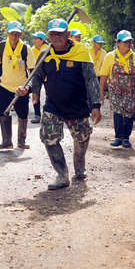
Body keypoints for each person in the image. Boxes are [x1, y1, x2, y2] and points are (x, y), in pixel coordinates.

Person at [18, 18, 101, 189]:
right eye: (53, 34)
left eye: (60, 33)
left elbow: (91, 80)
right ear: (49, 35)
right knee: (48, 138)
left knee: (82, 139)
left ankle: (79, 166)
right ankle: (62, 175)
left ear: (68, 34)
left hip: (77, 106)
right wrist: (33, 91)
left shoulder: (81, 52)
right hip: (53, 105)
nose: (57, 37)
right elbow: (38, 75)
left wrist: (96, 105)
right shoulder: (45, 54)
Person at [99, 30, 135, 148]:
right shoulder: (110, 57)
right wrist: (101, 93)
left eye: (129, 41)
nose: (127, 44)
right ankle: (118, 137)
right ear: (118, 42)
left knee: (129, 113)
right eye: (125, 41)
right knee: (118, 112)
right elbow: (104, 75)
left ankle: (126, 137)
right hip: (115, 90)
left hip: (131, 91)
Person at [0, 20, 36, 150]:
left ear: (21, 34)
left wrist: (28, 88)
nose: (14, 37)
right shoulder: (1, 46)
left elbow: (33, 72)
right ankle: (6, 140)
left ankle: (21, 140)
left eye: (17, 34)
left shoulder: (25, 49)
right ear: (7, 33)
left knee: (22, 114)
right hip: (5, 86)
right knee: (2, 112)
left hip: (21, 88)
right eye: (11, 33)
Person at [29, 31, 49, 124]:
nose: (34, 40)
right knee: (35, 94)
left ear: (41, 40)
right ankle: (37, 115)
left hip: (48, 75)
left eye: (35, 39)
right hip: (36, 76)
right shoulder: (32, 50)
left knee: (49, 95)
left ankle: (49, 114)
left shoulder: (48, 49)